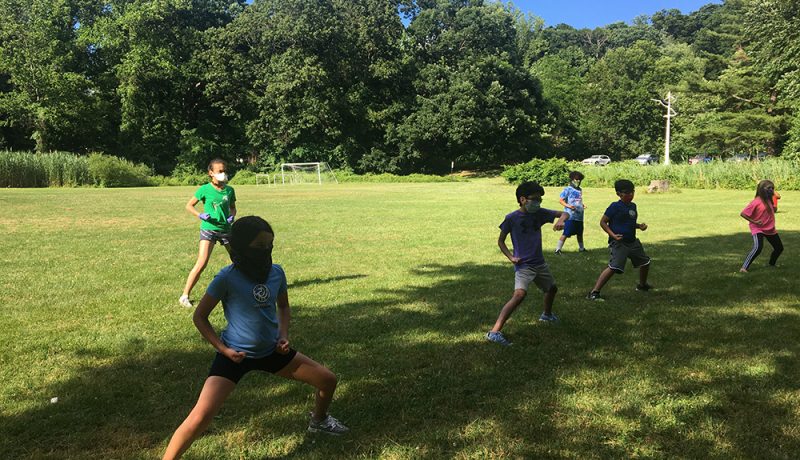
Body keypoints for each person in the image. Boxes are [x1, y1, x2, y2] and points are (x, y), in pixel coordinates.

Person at [163, 216, 348, 460]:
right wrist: (223, 349)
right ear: (240, 247)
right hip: (234, 355)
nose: (265, 252)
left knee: (328, 380)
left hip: (272, 351)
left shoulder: (276, 273)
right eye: (259, 247)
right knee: (201, 416)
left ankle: (319, 420)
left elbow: (283, 307)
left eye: (269, 246)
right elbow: (200, 317)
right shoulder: (226, 278)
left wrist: (283, 336)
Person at [486, 181, 568, 346]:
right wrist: (511, 257)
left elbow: (565, 213)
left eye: (540, 200)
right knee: (519, 295)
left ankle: (546, 315)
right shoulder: (512, 218)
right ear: (522, 199)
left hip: (539, 263)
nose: (538, 203)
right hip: (524, 264)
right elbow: (501, 241)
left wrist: (560, 221)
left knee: (552, 289)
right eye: (535, 199)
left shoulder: (540, 213)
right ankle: (494, 332)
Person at [179, 159, 237, 308]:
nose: (223, 174)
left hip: (226, 230)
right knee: (202, 262)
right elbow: (189, 205)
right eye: (220, 171)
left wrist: (232, 215)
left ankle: (245, 288)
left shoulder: (229, 190)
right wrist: (199, 215)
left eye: (224, 171)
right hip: (209, 228)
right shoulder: (204, 189)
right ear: (211, 173)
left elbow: (232, 207)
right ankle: (185, 296)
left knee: (238, 259)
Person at [587, 179, 651, 301]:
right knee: (614, 267)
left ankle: (642, 286)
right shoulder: (614, 206)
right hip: (619, 243)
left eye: (632, 192)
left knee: (645, 262)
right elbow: (603, 222)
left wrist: (639, 226)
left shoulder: (633, 206)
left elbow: (629, 222)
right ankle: (594, 292)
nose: (630, 195)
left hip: (633, 241)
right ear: (618, 194)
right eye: (627, 193)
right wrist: (613, 235)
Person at [740, 180, 783, 272]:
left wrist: (774, 207)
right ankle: (744, 268)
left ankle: (771, 264)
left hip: (770, 228)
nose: (771, 190)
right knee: (758, 248)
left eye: (772, 188)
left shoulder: (769, 199)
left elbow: (772, 211)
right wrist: (754, 221)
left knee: (779, 248)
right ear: (762, 189)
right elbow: (743, 213)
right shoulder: (756, 201)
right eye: (769, 188)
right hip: (758, 228)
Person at [555, 171, 586, 254]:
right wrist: (569, 206)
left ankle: (582, 248)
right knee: (566, 233)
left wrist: (582, 205)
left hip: (579, 216)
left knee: (580, 233)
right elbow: (561, 200)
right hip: (570, 216)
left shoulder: (580, 190)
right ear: (571, 179)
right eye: (576, 179)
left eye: (579, 180)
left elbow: (578, 201)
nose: (578, 181)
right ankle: (558, 249)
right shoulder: (567, 189)